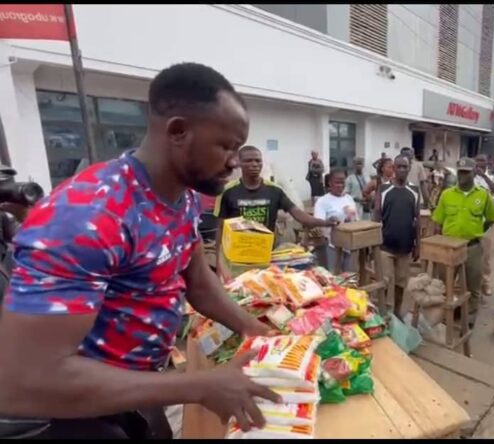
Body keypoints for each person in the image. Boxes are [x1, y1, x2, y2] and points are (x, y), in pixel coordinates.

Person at [0, 63, 282, 439]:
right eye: (227, 146)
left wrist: (256, 331)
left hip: (136, 391)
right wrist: (198, 386)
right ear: (178, 131)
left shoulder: (180, 198)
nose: (235, 161)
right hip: (71, 415)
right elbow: (22, 382)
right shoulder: (88, 215)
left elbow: (198, 281)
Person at [213, 145, 334, 279]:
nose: (254, 164)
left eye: (258, 161)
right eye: (249, 161)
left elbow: (300, 215)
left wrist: (326, 222)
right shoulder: (227, 192)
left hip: (266, 255)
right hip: (237, 259)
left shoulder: (274, 190)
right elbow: (220, 228)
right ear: (240, 163)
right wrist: (219, 263)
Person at [432, 157, 494, 329]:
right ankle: (442, 317)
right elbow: (438, 221)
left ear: (473, 172)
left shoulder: (483, 195)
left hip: (472, 247)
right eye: (460, 172)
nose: (462, 176)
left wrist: (477, 232)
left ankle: (468, 319)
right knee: (443, 284)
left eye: (466, 173)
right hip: (449, 248)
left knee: (472, 286)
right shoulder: (447, 195)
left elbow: (491, 218)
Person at [373, 154, 420, 318]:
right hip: (385, 246)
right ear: (393, 169)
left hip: (405, 248)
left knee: (401, 283)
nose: (401, 170)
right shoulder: (384, 189)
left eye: (404, 167)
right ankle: (383, 314)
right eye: (398, 166)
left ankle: (398, 313)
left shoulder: (414, 190)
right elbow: (376, 216)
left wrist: (417, 245)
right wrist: (374, 244)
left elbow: (417, 219)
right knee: (385, 282)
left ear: (409, 168)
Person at [473, 153, 494, 298]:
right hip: (470, 220)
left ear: (487, 163)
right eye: (477, 160)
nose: (479, 163)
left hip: (486, 222)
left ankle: (485, 283)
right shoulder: (470, 176)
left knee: (485, 255)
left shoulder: (492, 177)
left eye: (482, 161)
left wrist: (484, 177)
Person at [314, 169, 359, 272]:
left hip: (350, 245)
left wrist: (350, 218)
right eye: (337, 182)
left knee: (349, 275)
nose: (340, 185)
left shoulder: (349, 199)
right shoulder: (323, 201)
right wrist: (330, 221)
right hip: (332, 245)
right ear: (330, 183)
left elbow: (356, 220)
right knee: (334, 274)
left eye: (342, 182)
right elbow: (318, 223)